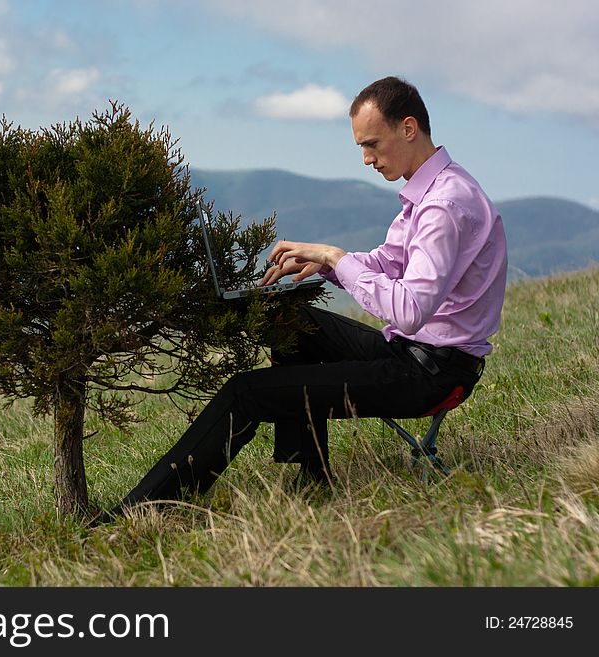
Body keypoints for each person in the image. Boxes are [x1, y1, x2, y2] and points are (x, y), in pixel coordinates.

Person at [112, 76, 507, 513]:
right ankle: (312, 472)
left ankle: (145, 509)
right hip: (412, 355)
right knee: (290, 321)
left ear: (408, 128)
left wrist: (336, 258)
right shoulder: (430, 193)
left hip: (432, 375)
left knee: (245, 392)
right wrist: (325, 265)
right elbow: (389, 263)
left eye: (372, 143)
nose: (366, 159)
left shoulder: (443, 206)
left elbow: (409, 310)